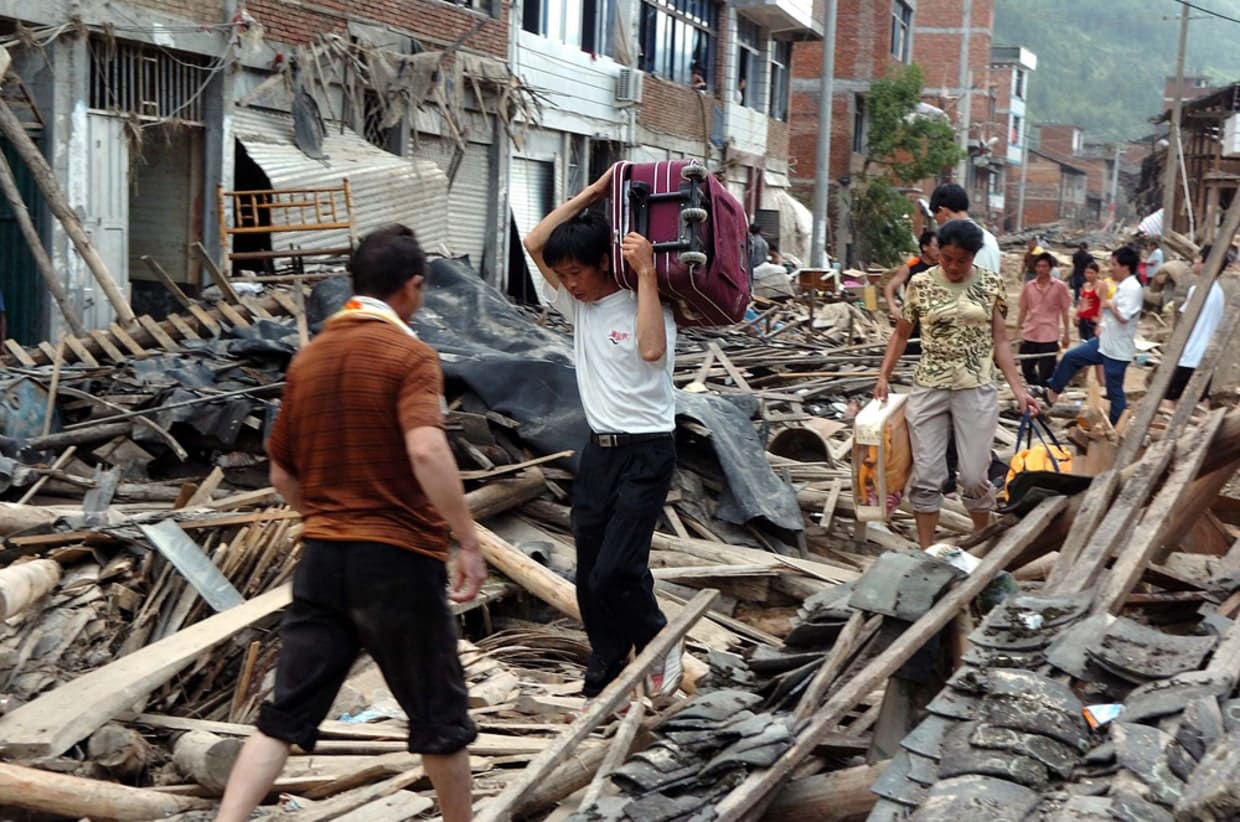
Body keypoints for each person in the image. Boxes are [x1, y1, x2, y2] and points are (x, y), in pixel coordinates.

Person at [215, 225, 486, 822]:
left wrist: (328, 515)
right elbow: (426, 451)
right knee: (438, 717)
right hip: (396, 562)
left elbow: (281, 474)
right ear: (413, 288)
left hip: (322, 561)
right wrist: (466, 537)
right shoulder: (409, 355)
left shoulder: (308, 359)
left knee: (286, 715)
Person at [523, 168, 682, 699]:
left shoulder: (646, 303)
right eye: (562, 275)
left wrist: (647, 275)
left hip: (647, 450)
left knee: (619, 567)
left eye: (577, 272)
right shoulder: (579, 306)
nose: (568, 283)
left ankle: (661, 638)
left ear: (602, 265)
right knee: (591, 572)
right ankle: (607, 664)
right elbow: (533, 241)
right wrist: (594, 193)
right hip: (600, 451)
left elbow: (652, 352)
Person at [875, 219, 1039, 549]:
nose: (952, 266)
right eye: (946, 258)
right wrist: (883, 375)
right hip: (929, 386)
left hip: (976, 386)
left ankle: (980, 546)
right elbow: (901, 334)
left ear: (974, 256)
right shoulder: (920, 284)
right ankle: (926, 553)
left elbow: (1001, 342)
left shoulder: (990, 284)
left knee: (975, 476)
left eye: (961, 260)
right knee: (927, 477)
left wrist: (1020, 391)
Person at [1043, 246, 1143, 426]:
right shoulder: (1122, 286)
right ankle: (1053, 391)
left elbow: (1124, 317)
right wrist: (1102, 324)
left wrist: (1107, 305)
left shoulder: (1133, 288)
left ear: (1125, 266)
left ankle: (1115, 427)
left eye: (1113, 264)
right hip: (1104, 342)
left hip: (1117, 350)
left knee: (1114, 391)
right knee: (1072, 357)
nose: (1110, 268)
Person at [1165, 244, 1235, 404]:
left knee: (1168, 401)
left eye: (1198, 258)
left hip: (1189, 356)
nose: (1194, 261)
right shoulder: (1218, 293)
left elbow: (1184, 324)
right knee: (1199, 401)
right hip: (1204, 357)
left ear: (1207, 264)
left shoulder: (1197, 291)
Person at [1017, 251, 1072, 387]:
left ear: (1050, 268)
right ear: (1035, 267)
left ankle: (1044, 393)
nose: (1041, 269)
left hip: (1049, 334)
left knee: (1046, 370)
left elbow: (1065, 311)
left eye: (1045, 266)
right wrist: (1018, 329)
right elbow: (1023, 310)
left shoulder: (1059, 287)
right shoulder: (1029, 286)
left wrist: (1066, 334)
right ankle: (1036, 388)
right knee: (1026, 366)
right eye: (1039, 266)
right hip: (1031, 332)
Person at [884, 230, 941, 356]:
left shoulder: (942, 267)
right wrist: (893, 307)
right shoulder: (911, 266)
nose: (940, 251)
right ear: (925, 247)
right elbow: (890, 287)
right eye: (937, 246)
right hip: (913, 322)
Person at [928, 183, 1002, 274]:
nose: (938, 224)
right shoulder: (988, 237)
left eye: (936, 218)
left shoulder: (963, 240)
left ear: (943, 211)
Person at [1076, 261, 1102, 341]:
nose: (1088, 275)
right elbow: (1081, 301)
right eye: (1086, 272)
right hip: (1083, 319)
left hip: (1092, 320)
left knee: (1092, 342)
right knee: (1082, 341)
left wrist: (1099, 322)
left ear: (1097, 273)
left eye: (1091, 273)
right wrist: (1076, 314)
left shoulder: (1100, 285)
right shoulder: (1085, 285)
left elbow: (1102, 304)